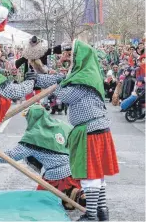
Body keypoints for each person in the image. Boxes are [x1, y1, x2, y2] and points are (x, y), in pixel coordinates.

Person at [35, 40, 119, 221]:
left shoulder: (85, 77)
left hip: (90, 131)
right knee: (98, 175)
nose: (69, 58)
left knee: (90, 175)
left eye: (72, 55)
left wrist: (50, 82)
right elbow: (62, 80)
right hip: (95, 129)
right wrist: (37, 78)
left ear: (80, 57)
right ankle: (102, 212)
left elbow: (65, 93)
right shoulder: (85, 72)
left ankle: (91, 214)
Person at [0, 104, 85, 210]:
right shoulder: (61, 125)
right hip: (74, 168)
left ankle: (70, 192)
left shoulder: (32, 138)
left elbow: (11, 156)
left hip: (55, 175)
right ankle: (74, 191)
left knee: (40, 200)